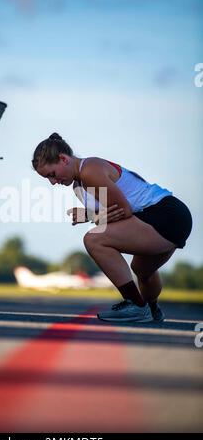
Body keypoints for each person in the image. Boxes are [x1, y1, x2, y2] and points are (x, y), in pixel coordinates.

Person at [32, 133, 192, 323]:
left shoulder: (89, 170)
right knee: (142, 270)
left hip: (165, 215)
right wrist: (94, 216)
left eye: (52, 174)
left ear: (63, 159)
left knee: (94, 240)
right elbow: (111, 216)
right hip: (168, 215)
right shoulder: (78, 185)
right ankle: (152, 310)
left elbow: (122, 211)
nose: (53, 182)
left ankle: (136, 305)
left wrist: (89, 215)